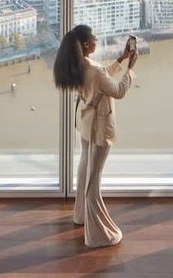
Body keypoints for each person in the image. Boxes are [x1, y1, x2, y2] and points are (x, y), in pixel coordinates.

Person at [53, 25, 136, 248]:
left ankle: (80, 215)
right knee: (94, 178)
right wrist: (130, 70)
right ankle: (97, 234)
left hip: (85, 121)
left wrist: (120, 60)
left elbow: (100, 79)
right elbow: (117, 91)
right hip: (99, 125)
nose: (96, 39)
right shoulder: (93, 69)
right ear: (86, 45)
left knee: (84, 167)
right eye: (93, 38)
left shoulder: (78, 66)